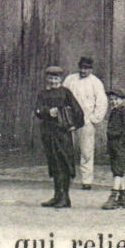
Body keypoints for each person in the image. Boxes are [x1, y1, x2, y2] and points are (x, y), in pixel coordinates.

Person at [34, 65, 84, 208]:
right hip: (49, 133)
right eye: (50, 77)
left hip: (62, 134)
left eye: (56, 78)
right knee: (54, 163)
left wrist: (75, 125)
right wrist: (48, 112)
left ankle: (65, 197)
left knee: (64, 162)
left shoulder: (66, 93)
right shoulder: (42, 94)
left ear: (60, 79)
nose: (53, 80)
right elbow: (37, 111)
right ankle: (57, 196)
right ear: (47, 79)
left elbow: (78, 111)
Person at [62, 57, 108, 191]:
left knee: (86, 151)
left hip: (86, 122)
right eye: (81, 67)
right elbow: (62, 96)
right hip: (70, 121)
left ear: (91, 69)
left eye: (86, 68)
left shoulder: (96, 82)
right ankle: (67, 177)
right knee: (67, 149)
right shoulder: (70, 79)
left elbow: (101, 102)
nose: (83, 71)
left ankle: (86, 180)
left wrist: (94, 119)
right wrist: (64, 118)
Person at [100, 87, 125, 210]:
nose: (113, 102)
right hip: (114, 145)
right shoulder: (114, 112)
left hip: (120, 145)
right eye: (111, 100)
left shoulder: (124, 112)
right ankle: (123, 197)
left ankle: (113, 196)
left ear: (122, 100)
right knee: (117, 170)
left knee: (118, 172)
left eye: (116, 99)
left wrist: (119, 139)